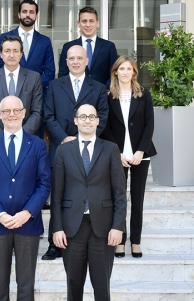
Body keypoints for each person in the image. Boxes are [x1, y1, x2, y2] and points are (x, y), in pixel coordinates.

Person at [0, 95, 51, 301]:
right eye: (6, 111)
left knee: (26, 285)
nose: (12, 115)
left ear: (24, 113)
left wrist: (27, 213)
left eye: (16, 110)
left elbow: (44, 183)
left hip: (28, 223)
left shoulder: (36, 144)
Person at [50, 104, 126, 301]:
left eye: (91, 116)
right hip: (71, 229)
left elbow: (119, 192)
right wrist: (57, 228)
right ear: (75, 120)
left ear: (97, 121)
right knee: (73, 287)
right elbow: (56, 194)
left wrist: (118, 227)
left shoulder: (110, 149)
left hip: (103, 229)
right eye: (82, 116)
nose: (87, 120)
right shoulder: (63, 150)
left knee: (102, 287)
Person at [40, 44, 109, 260]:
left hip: (89, 151)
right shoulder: (53, 85)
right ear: (66, 62)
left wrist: (82, 138)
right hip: (61, 149)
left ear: (87, 61)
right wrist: (64, 138)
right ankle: (54, 243)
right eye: (71, 58)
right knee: (58, 194)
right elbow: (48, 116)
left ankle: (82, 239)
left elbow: (103, 117)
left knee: (84, 194)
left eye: (80, 58)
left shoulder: (98, 88)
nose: (76, 62)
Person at [101, 55, 156, 259]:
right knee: (119, 198)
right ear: (115, 71)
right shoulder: (108, 96)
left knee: (138, 199)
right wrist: (118, 152)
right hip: (118, 155)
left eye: (129, 69)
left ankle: (136, 241)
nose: (125, 72)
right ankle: (120, 241)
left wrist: (141, 151)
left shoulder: (144, 94)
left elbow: (150, 124)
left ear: (134, 72)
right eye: (121, 69)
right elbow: (105, 128)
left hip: (141, 154)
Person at [0, 36, 43, 137]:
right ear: (1, 54)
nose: (11, 55)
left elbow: (37, 112)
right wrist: (3, 137)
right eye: (7, 51)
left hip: (27, 138)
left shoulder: (33, 77)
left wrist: (21, 135)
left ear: (21, 54)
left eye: (15, 51)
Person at [0, 0, 55, 91]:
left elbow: (50, 71)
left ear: (36, 15)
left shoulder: (45, 41)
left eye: (31, 12)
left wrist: (33, 86)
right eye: (24, 11)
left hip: (37, 94)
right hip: (10, 90)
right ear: (19, 14)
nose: (28, 15)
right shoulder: (4, 38)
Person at [58, 6, 118, 87]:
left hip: (102, 96)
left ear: (97, 23)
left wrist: (102, 91)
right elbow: (63, 74)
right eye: (84, 21)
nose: (88, 25)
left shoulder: (109, 47)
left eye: (91, 21)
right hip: (75, 96)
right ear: (78, 24)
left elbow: (114, 74)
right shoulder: (68, 46)